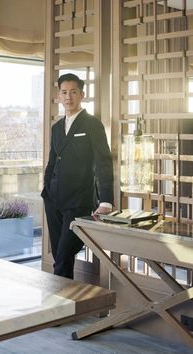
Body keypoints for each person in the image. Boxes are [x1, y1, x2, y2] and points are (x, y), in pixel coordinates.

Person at [41, 73, 114, 279]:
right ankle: (67, 304)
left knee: (63, 257)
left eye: (73, 92)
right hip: (53, 199)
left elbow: (104, 163)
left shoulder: (92, 124)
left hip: (78, 201)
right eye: (64, 92)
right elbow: (52, 162)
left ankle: (62, 306)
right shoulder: (56, 128)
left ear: (82, 94)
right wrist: (46, 190)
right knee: (60, 257)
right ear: (59, 96)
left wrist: (106, 200)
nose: (68, 97)